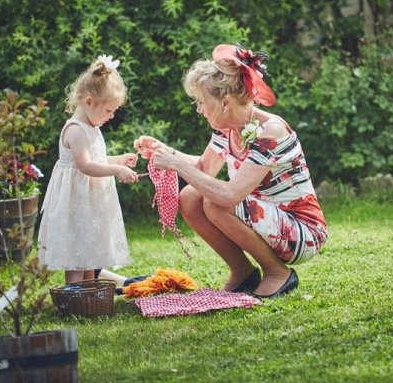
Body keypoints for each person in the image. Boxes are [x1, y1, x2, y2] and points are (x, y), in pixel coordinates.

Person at [134, 44, 328, 299]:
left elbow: (229, 196)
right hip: (267, 221)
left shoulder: (272, 131)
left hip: (301, 232)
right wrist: (167, 152)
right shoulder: (227, 129)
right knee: (191, 196)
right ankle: (243, 272)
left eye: (201, 102)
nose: (198, 109)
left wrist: (176, 164)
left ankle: (277, 273)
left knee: (216, 202)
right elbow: (204, 169)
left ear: (225, 103)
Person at [37, 55, 139, 284]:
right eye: (109, 110)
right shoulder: (75, 130)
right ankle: (75, 294)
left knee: (90, 246)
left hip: (90, 200)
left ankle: (90, 291)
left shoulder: (92, 125)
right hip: (76, 201)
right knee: (77, 250)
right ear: (89, 102)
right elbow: (85, 165)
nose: (111, 116)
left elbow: (98, 158)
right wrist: (116, 171)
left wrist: (119, 160)